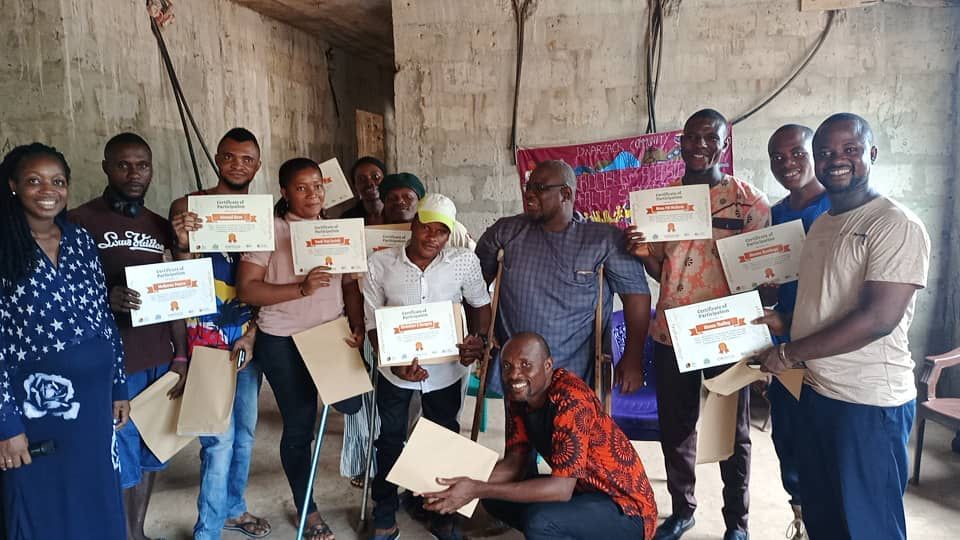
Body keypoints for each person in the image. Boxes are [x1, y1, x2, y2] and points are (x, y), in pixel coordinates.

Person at [752, 113, 929, 540]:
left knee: (868, 525)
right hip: (817, 392)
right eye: (826, 152)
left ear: (872, 153)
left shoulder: (895, 224)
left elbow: (877, 319)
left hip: (867, 404)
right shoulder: (825, 224)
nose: (836, 160)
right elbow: (826, 306)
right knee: (824, 516)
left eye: (849, 149)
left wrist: (787, 353)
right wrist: (785, 322)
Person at [626, 109, 770, 540]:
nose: (700, 145)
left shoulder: (749, 201)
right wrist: (643, 254)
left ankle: (736, 523)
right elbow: (662, 272)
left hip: (727, 336)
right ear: (681, 143)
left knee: (734, 434)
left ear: (724, 144)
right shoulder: (663, 201)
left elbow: (762, 272)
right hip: (671, 334)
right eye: (692, 137)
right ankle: (683, 510)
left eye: (711, 137)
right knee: (677, 428)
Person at [0, 143, 128, 538]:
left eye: (57, 181)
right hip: (37, 409)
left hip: (92, 406)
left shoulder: (80, 241)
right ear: (13, 186)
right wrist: (6, 424)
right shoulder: (4, 247)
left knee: (95, 498)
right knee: (40, 507)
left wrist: (118, 385)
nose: (47, 190)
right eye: (34, 181)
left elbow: (103, 318)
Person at [237, 157, 365, 540]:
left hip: (330, 335)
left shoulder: (335, 230)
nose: (312, 194)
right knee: (300, 427)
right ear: (285, 192)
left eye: (318, 186)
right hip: (283, 340)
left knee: (352, 404)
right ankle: (307, 509)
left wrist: (356, 324)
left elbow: (348, 286)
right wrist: (301, 289)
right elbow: (247, 288)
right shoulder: (271, 230)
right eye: (302, 187)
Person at [68, 132, 188, 540]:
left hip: (158, 357)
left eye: (142, 165)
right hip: (114, 362)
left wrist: (181, 356)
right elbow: (63, 290)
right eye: (123, 164)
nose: (134, 173)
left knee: (153, 453)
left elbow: (177, 294)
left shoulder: (158, 225)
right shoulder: (80, 221)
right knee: (121, 456)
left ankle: (137, 531)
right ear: (105, 167)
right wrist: (104, 298)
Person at [423, 332, 658, 540]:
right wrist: (454, 485)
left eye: (526, 364)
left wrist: (475, 489)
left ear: (548, 365)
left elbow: (560, 489)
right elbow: (515, 464)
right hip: (582, 494)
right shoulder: (520, 396)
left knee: (541, 521)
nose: (515, 374)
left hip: (625, 510)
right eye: (507, 366)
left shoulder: (571, 399)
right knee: (495, 497)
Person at [363, 193, 492, 540]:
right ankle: (385, 511)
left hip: (446, 371)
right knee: (390, 441)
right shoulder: (380, 264)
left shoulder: (463, 261)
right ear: (413, 225)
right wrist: (394, 362)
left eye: (441, 231)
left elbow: (480, 304)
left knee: (443, 438)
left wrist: (477, 340)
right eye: (426, 227)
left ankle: (439, 512)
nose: (432, 237)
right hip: (397, 373)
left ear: (450, 234)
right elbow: (373, 323)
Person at [474, 160, 652, 396]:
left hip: (575, 372)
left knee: (571, 431)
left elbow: (636, 297)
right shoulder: (507, 231)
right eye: (528, 187)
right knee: (521, 432)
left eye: (539, 188)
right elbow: (474, 283)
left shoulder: (603, 240)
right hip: (517, 371)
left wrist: (632, 357)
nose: (529, 194)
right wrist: (483, 332)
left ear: (565, 194)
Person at [169, 127, 269, 539]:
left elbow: (267, 278)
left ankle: (234, 509)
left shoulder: (263, 214)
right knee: (218, 441)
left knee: (244, 436)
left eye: (247, 159)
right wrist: (182, 240)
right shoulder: (190, 206)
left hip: (247, 335)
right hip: (206, 335)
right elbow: (182, 273)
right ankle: (207, 530)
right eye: (230, 157)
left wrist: (254, 333)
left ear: (257, 165)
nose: (238, 165)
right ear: (217, 159)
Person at [759, 124, 830, 540]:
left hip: (826, 349)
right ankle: (802, 520)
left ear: (815, 154)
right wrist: (766, 286)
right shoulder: (777, 212)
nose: (787, 164)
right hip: (785, 349)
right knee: (788, 438)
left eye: (796, 153)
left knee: (825, 442)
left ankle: (825, 523)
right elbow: (777, 278)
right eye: (778, 157)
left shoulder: (835, 209)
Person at [340, 157, 387, 488]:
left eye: (376, 176)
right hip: (359, 313)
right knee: (360, 395)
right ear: (354, 185)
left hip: (397, 317)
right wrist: (356, 322)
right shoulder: (346, 221)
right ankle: (362, 463)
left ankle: (391, 458)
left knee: (395, 398)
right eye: (362, 178)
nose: (370, 183)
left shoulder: (403, 217)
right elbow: (345, 279)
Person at [379, 172, 476, 249]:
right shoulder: (376, 233)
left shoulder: (452, 230)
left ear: (420, 201)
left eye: (408, 197)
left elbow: (475, 261)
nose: (400, 201)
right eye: (392, 198)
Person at [341, 156, 387, 224]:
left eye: (376, 177)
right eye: (361, 179)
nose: (369, 183)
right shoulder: (347, 219)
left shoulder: (398, 214)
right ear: (355, 186)